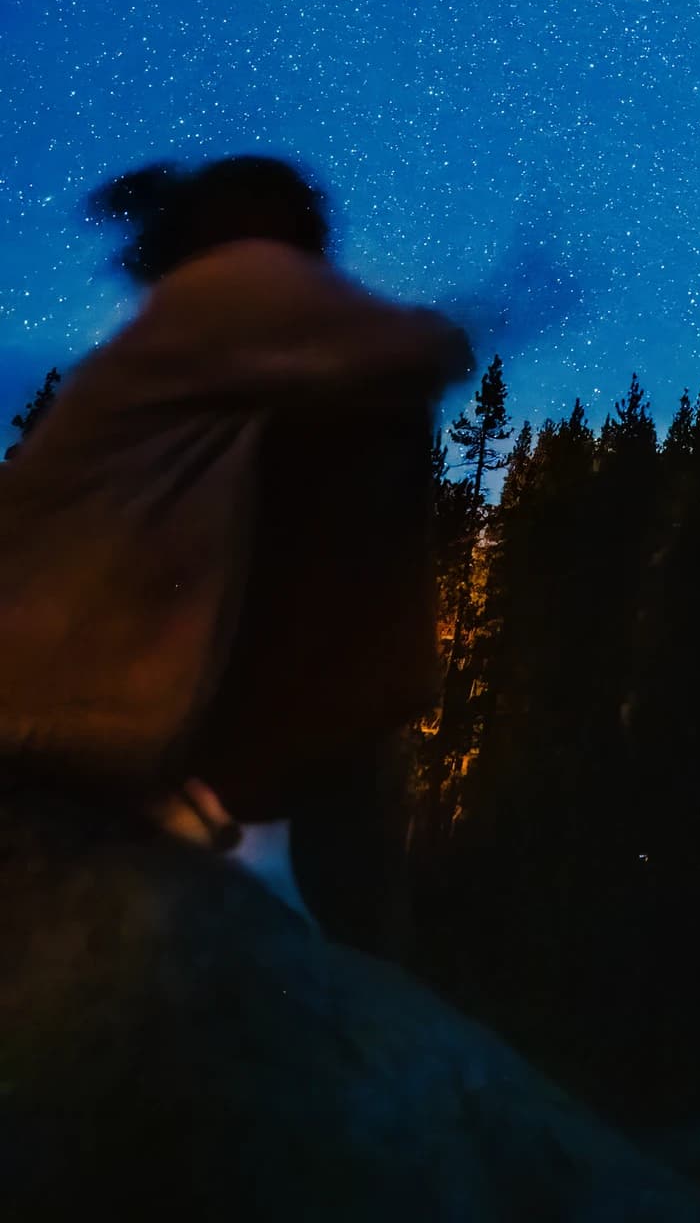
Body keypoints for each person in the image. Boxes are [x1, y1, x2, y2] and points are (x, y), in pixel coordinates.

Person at [0, 156, 471, 951]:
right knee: (367, 420)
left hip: (49, 666)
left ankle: (244, 816)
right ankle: (249, 810)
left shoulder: (190, 316)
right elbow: (428, 346)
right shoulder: (241, 284)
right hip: (59, 698)